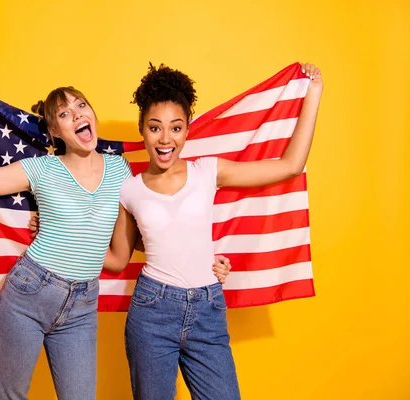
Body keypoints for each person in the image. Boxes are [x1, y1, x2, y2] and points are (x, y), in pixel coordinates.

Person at [0, 66, 232, 400]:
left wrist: (202, 261)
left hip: (81, 306)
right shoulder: (42, 169)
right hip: (29, 295)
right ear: (55, 130)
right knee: (10, 396)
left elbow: (144, 237)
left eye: (81, 105)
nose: (77, 113)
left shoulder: (120, 171)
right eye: (64, 113)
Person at [104, 62, 323, 400]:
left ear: (188, 129)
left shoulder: (207, 171)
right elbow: (120, 257)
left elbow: (289, 166)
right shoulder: (129, 190)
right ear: (142, 129)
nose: (165, 139)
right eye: (155, 127)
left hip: (207, 310)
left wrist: (313, 94)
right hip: (152, 313)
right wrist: (58, 231)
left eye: (176, 128)